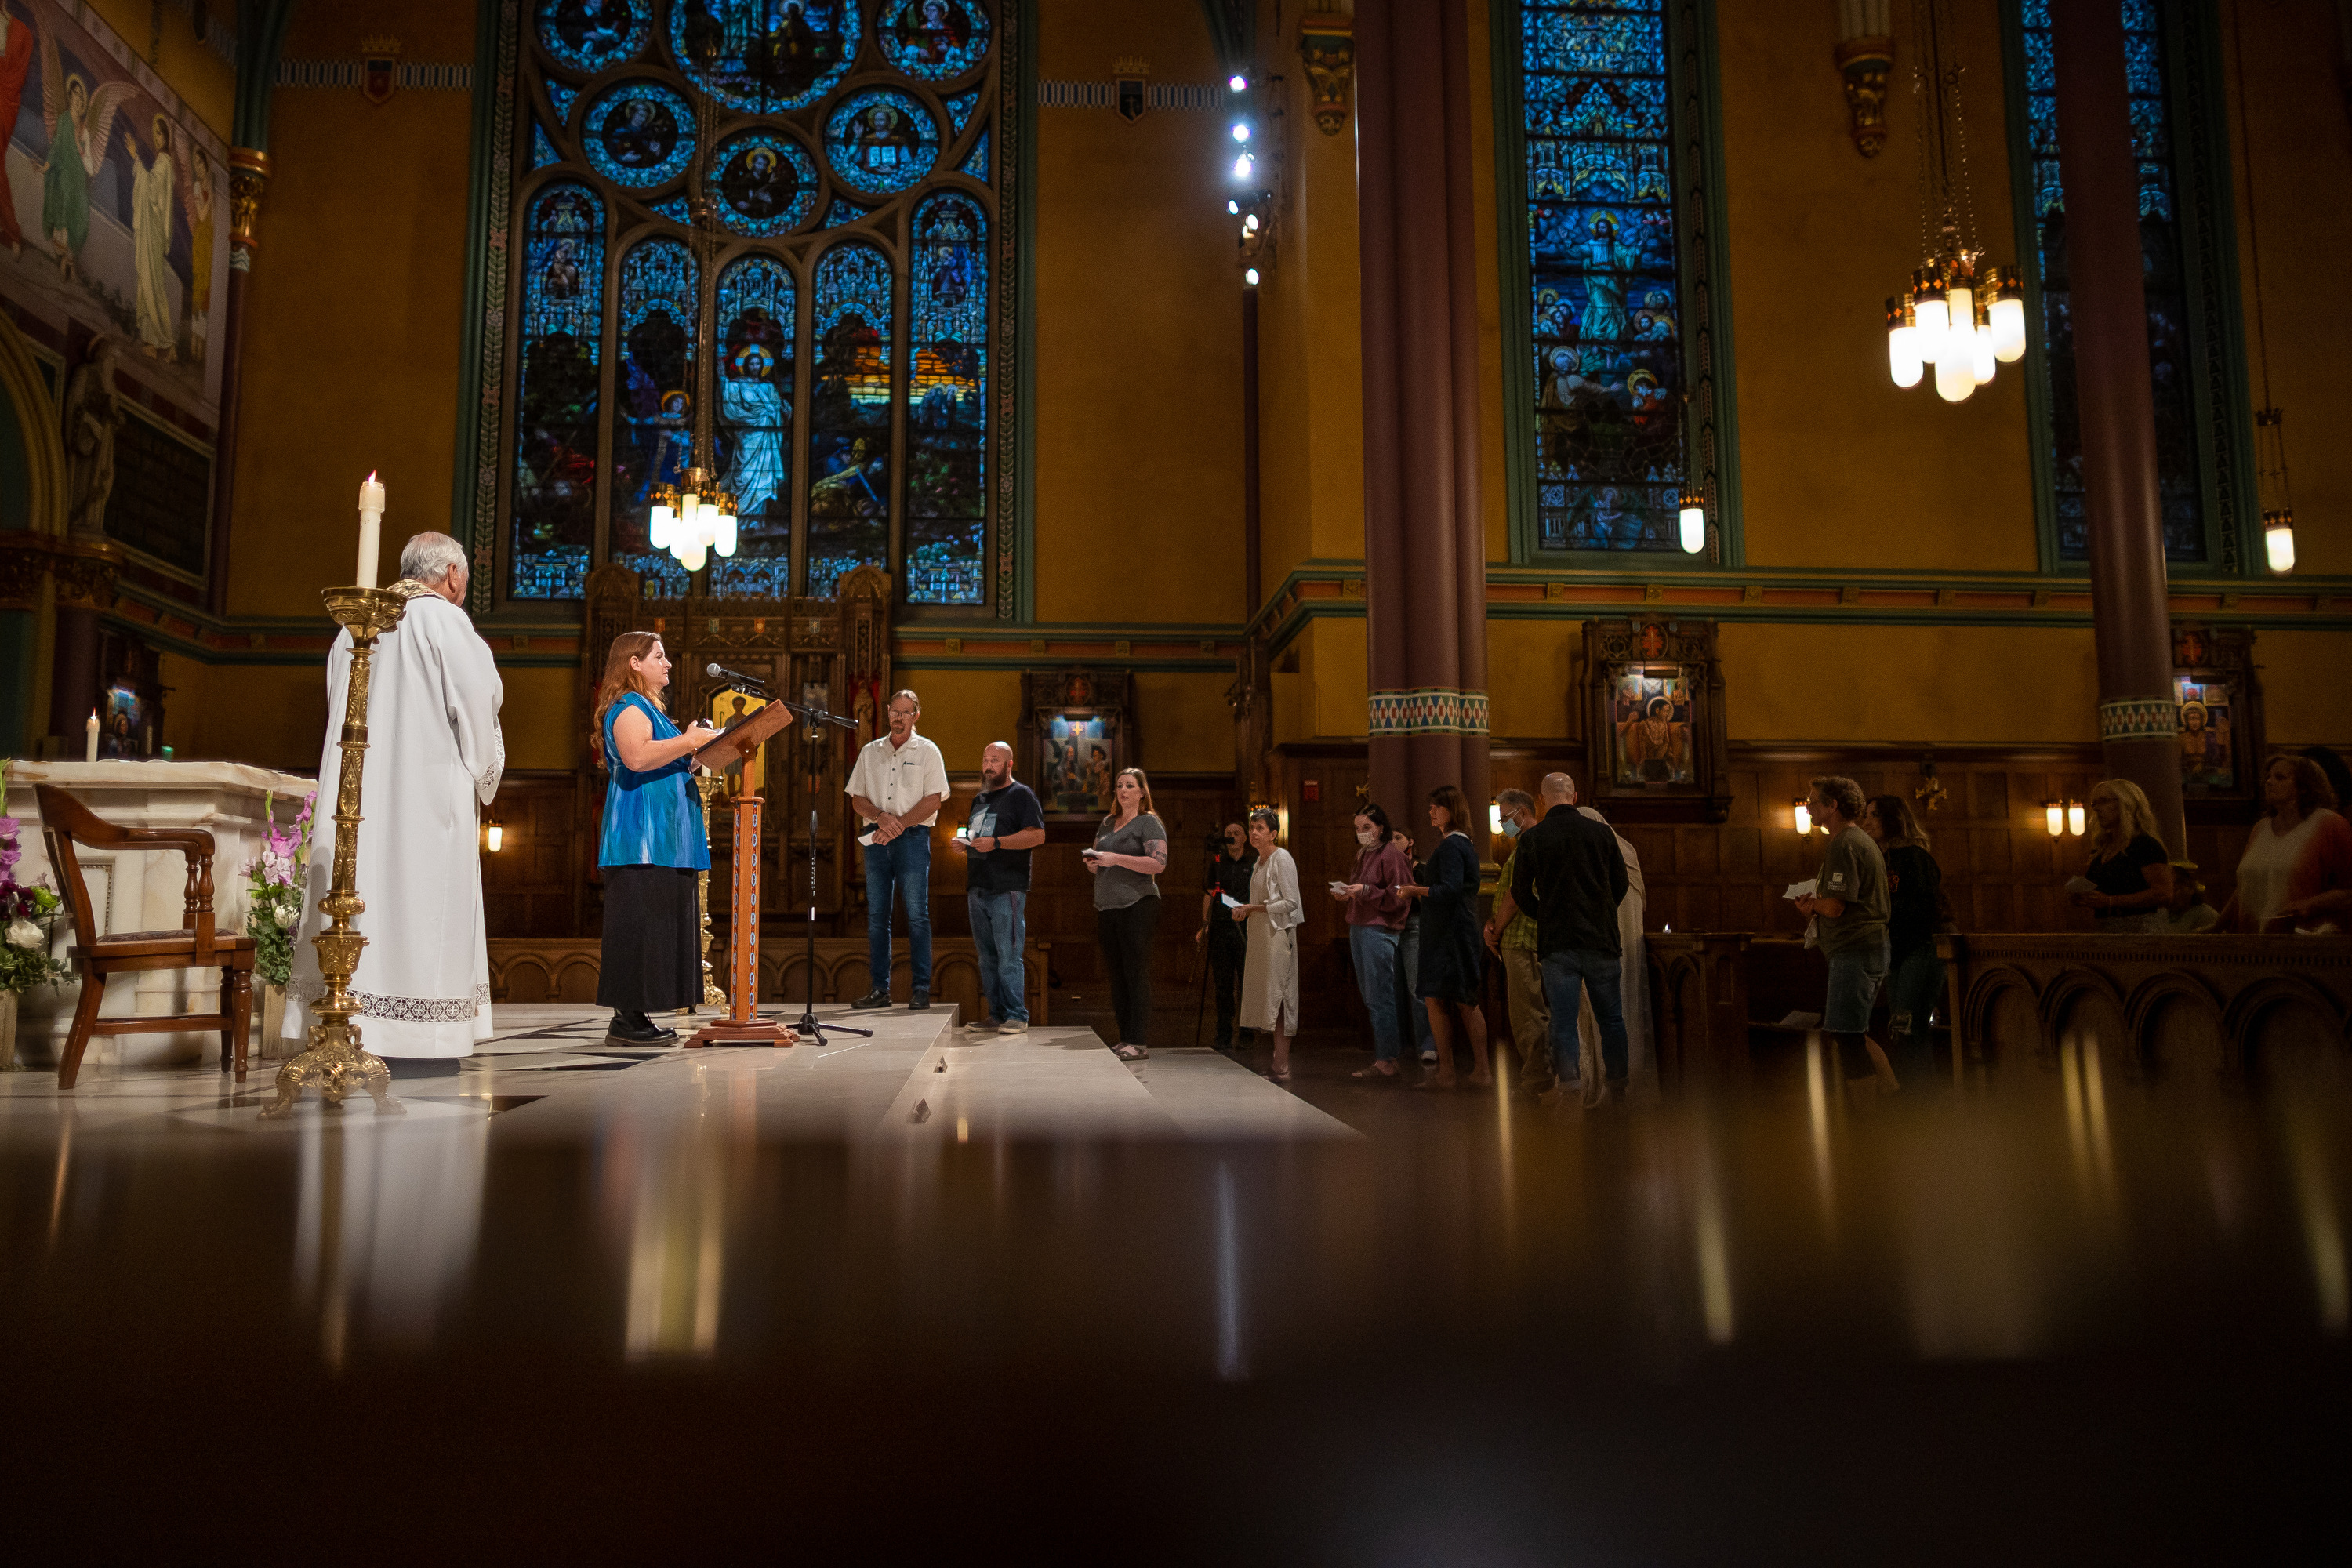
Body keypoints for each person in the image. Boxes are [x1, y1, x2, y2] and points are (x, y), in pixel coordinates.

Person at [285, 533, 505, 1077]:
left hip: (357, 792)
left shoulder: (354, 626)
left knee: (359, 891)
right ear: (452, 574)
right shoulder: (446, 622)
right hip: (427, 799)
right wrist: (483, 766)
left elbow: (342, 705)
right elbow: (478, 703)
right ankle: (421, 1035)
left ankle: (348, 1021)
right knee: (422, 903)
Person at [590, 630, 757, 1042]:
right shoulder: (629, 707)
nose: (667, 664)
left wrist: (697, 749)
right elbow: (636, 757)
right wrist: (689, 741)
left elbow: (665, 759)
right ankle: (627, 1019)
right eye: (659, 657)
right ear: (634, 662)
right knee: (639, 927)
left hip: (665, 837)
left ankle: (636, 1016)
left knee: (654, 928)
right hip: (641, 837)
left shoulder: (649, 708)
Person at [1509, 773, 1632, 1107]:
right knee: (1611, 1018)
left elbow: (1519, 892)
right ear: (1575, 796)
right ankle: (1617, 1086)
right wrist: (1601, 912)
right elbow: (1620, 884)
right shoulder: (1601, 832)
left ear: (1543, 798)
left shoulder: (1533, 839)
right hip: (1600, 939)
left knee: (1562, 1020)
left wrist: (1546, 915)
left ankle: (1570, 1086)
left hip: (1558, 942)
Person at [1791, 775, 1899, 1098]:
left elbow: (1837, 907)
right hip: (1866, 947)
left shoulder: (1844, 843)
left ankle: (1868, 1125)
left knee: (1846, 1037)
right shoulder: (1858, 841)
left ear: (1832, 806)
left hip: (1854, 950)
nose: (1808, 807)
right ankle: (1893, 1097)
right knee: (1856, 1034)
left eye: (1813, 801)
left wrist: (1811, 906)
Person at [846, 689, 949, 1010]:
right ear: (887, 713)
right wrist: (881, 818)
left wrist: (898, 825)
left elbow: (934, 799)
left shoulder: (928, 751)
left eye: (906, 712)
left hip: (913, 839)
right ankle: (880, 990)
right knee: (877, 916)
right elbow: (856, 798)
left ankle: (921, 990)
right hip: (876, 838)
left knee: (918, 916)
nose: (898, 717)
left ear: (916, 716)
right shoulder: (870, 751)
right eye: (894, 711)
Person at [954, 742, 1045, 1033]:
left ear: (1009, 764)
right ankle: (995, 1015)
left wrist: (997, 842)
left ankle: (1017, 1015)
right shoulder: (979, 798)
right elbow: (978, 836)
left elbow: (1037, 836)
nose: (988, 765)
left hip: (1007, 887)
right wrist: (966, 844)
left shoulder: (1021, 795)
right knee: (987, 957)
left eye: (995, 760)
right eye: (985, 760)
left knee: (1009, 955)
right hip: (978, 886)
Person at [1406, 786, 1491, 1090]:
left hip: (1451, 935)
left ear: (1452, 810)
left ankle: (1459, 1071)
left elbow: (1451, 889)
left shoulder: (1453, 846)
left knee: (1456, 1001)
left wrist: (1415, 890)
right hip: (1451, 933)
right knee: (1449, 999)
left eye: (1437, 807)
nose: (1431, 811)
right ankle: (1463, 1070)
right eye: (1431, 806)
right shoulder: (1459, 845)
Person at [1863, 793, 1944, 1086]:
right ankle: (1913, 1093)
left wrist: (1884, 914)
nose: (1867, 822)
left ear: (1893, 820)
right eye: (1866, 815)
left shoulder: (1914, 857)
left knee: (1910, 1026)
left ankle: (1922, 1097)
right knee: (1899, 1027)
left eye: (1874, 815)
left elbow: (1925, 906)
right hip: (1895, 953)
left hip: (1919, 950)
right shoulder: (1881, 859)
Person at [1573, 804, 1653, 1103]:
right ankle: (1605, 1081)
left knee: (1607, 1013)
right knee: (1613, 1012)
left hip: (1602, 947)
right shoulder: (1625, 854)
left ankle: (1610, 1081)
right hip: (1617, 947)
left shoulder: (1603, 858)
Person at [1087, 768, 1167, 1061]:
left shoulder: (1149, 823)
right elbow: (1098, 856)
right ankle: (1125, 1038)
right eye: (1119, 786)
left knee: (1135, 973)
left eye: (1130, 786)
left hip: (1138, 904)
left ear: (1142, 791)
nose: (1123, 791)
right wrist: (1094, 863)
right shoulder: (1108, 822)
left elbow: (1158, 864)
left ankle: (1139, 1040)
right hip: (1107, 906)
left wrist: (1115, 858)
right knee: (1117, 975)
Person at [2223, 754, 2352, 932]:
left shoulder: (2327, 823)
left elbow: (2348, 890)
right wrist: (2218, 925)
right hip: (2252, 941)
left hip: (2303, 939)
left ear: (2304, 788)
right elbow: (2246, 886)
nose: (2269, 782)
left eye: (2280, 777)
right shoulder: (2261, 828)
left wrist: (2310, 905)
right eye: (2268, 777)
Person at [1336, 803, 1416, 1082]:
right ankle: (1385, 1056)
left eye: (1367, 828)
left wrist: (1366, 890)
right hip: (1359, 927)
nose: (1362, 834)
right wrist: (1349, 893)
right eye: (1358, 829)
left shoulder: (1392, 855)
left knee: (1380, 996)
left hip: (1379, 930)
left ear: (1381, 827)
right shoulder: (1362, 854)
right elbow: (1364, 890)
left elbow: (1400, 895)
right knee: (1371, 997)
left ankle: (1387, 1060)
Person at [1483, 789, 1554, 1095]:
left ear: (1523, 813)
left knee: (1527, 1012)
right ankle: (1537, 1073)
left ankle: (1537, 1076)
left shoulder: (1531, 841)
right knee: (1528, 1009)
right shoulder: (1527, 842)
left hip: (1523, 937)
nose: (1503, 825)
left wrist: (1496, 929)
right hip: (1518, 935)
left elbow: (1516, 892)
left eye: (1506, 818)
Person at [1231, 809, 1302, 1083]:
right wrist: (1247, 910)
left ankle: (1282, 1064)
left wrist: (1255, 908)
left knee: (1280, 996)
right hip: (1261, 936)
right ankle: (1277, 1061)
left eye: (1260, 828)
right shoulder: (1259, 862)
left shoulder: (1281, 858)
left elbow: (1291, 902)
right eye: (1252, 828)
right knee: (1267, 996)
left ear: (1273, 833)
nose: (1254, 833)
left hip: (1277, 936)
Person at [2073, 779, 2174, 935]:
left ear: (2127, 803)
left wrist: (2110, 901)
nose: (2097, 809)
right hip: (2106, 930)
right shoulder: (2101, 850)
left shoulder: (2145, 845)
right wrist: (2083, 896)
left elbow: (2163, 894)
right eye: (2094, 804)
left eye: (2104, 801)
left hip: (2142, 930)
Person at [1196, 821, 1256, 1052]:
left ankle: (1247, 1032)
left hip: (1246, 928)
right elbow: (1209, 895)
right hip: (1221, 928)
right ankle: (1223, 1033)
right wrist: (1205, 925)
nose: (1232, 837)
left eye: (1236, 833)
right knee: (1222, 984)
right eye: (1228, 834)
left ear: (1244, 838)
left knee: (1245, 983)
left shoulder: (1254, 863)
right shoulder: (1217, 863)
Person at [2164, 862, 2220, 934]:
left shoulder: (2205, 914)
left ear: (2190, 888)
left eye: (2175, 889)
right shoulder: (2163, 915)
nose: (2171, 895)